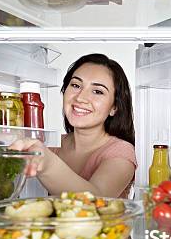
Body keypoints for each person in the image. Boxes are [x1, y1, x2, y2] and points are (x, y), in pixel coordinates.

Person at [10, 53, 137, 198]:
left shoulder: (121, 152)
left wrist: (48, 164)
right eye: (76, 85)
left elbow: (97, 200)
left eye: (97, 91)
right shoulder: (51, 144)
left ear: (114, 107)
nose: (81, 98)